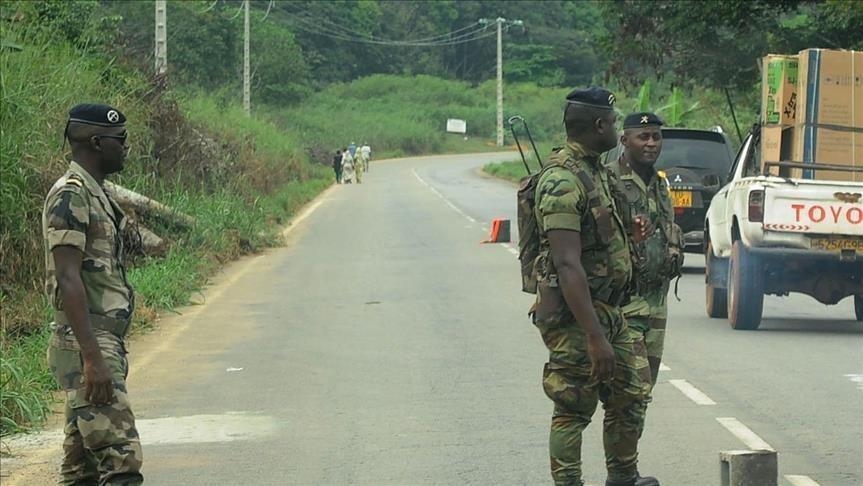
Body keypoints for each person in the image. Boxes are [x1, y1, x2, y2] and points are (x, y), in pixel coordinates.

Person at [531, 88, 657, 486]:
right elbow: (567, 265)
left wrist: (630, 238)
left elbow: (597, 241)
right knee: (573, 405)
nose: (618, 127)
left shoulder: (597, 172)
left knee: (631, 395)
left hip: (610, 309)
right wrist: (594, 337)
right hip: (576, 315)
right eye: (615, 121)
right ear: (599, 125)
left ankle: (623, 476)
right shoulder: (562, 181)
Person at [43, 103, 143, 485]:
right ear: (97, 142)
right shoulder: (71, 195)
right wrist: (93, 357)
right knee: (121, 464)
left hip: (98, 341)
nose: (126, 147)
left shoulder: (95, 192)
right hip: (87, 341)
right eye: (121, 140)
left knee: (81, 471)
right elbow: (68, 278)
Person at [607, 112, 683, 447]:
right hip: (625, 306)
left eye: (656, 136)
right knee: (631, 393)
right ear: (625, 140)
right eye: (643, 137)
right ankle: (622, 472)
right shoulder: (609, 180)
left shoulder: (659, 183)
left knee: (641, 395)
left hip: (656, 304)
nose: (651, 143)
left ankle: (624, 469)